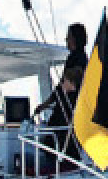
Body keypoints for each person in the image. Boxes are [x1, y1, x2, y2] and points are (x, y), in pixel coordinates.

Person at [34, 23, 88, 165]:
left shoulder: (78, 59)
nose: (66, 40)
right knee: (60, 142)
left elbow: (68, 84)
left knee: (54, 141)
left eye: (69, 37)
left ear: (76, 39)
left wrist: (45, 105)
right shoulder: (80, 58)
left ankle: (59, 169)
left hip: (67, 111)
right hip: (71, 109)